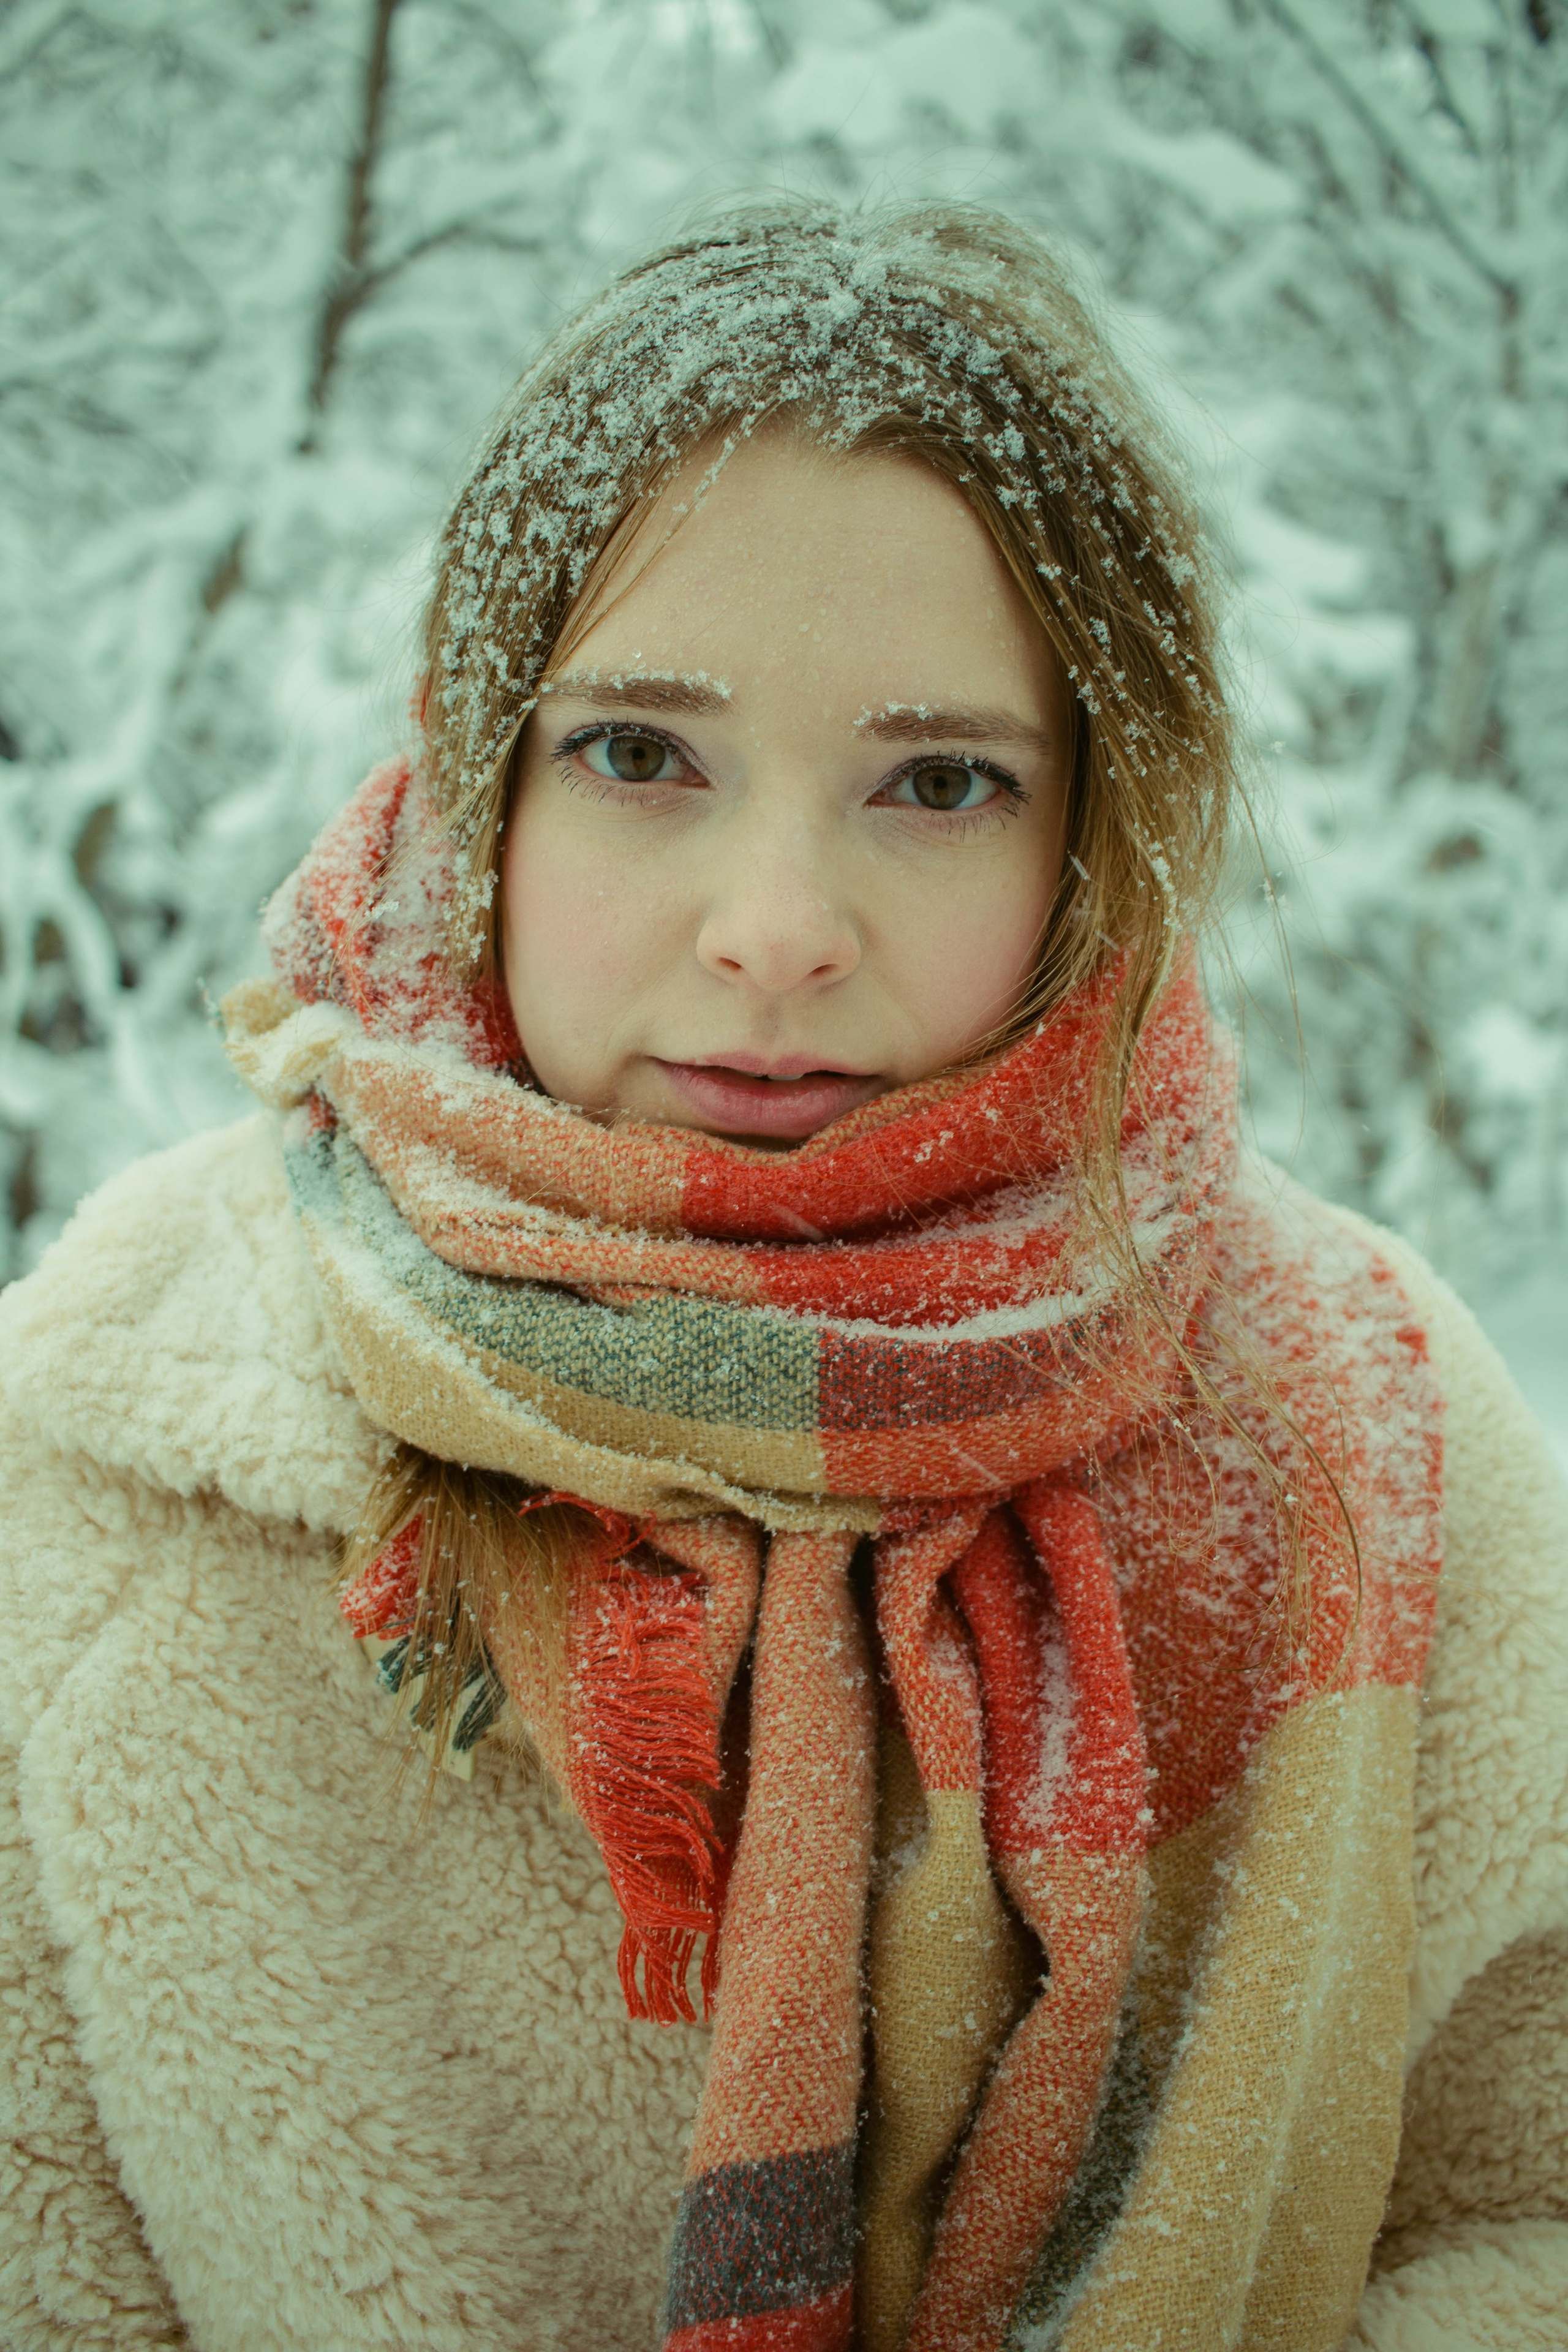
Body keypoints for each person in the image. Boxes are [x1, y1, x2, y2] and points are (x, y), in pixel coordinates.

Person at [1, 202, 1563, 2352]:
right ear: (493, 783)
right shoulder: (101, 1454)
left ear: (1087, 828)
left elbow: (1530, 2202)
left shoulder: (1372, 1429)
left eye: (939, 781)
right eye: (643, 754)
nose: (774, 925)